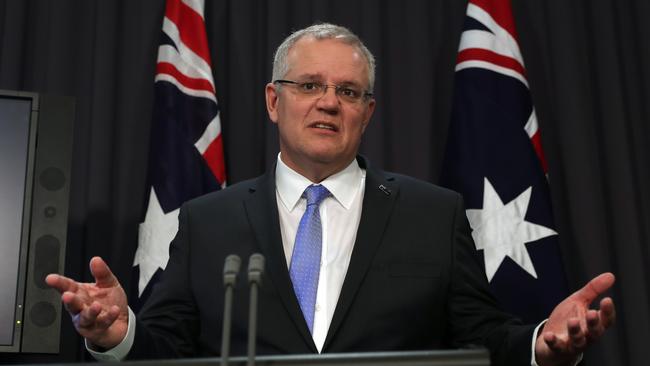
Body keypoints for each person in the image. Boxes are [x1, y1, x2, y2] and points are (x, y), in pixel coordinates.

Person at [46, 23, 615, 365]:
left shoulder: (432, 214)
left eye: (348, 91)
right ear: (274, 101)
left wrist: (542, 344)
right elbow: (168, 348)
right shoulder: (207, 220)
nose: (328, 102)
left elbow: (481, 339)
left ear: (367, 113)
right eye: (310, 86)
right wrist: (119, 337)